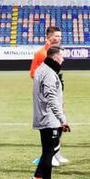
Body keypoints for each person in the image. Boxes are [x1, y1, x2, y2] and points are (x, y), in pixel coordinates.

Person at [27, 45, 69, 179]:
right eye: (61, 56)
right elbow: (51, 99)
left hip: (43, 116)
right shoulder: (49, 73)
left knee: (47, 152)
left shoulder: (42, 69)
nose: (63, 59)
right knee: (49, 153)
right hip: (49, 119)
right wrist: (62, 119)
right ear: (55, 57)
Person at [29, 26, 68, 166]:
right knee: (52, 125)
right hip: (47, 94)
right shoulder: (41, 53)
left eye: (60, 36)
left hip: (56, 89)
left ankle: (55, 153)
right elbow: (33, 73)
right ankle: (47, 156)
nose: (59, 39)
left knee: (59, 121)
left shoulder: (56, 52)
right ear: (48, 37)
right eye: (56, 36)